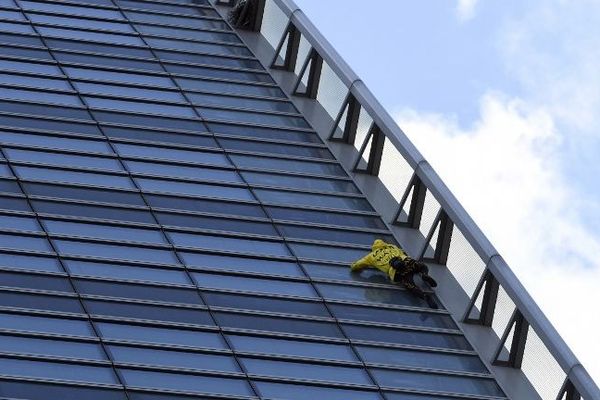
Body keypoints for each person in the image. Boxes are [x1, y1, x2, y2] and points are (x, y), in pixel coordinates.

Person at [351, 239, 439, 309]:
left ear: (373, 248)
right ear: (383, 243)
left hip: (396, 271)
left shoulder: (370, 256)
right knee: (422, 266)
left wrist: (353, 266)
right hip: (406, 261)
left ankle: (424, 296)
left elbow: (357, 265)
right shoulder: (391, 246)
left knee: (410, 285)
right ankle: (424, 275)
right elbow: (402, 252)